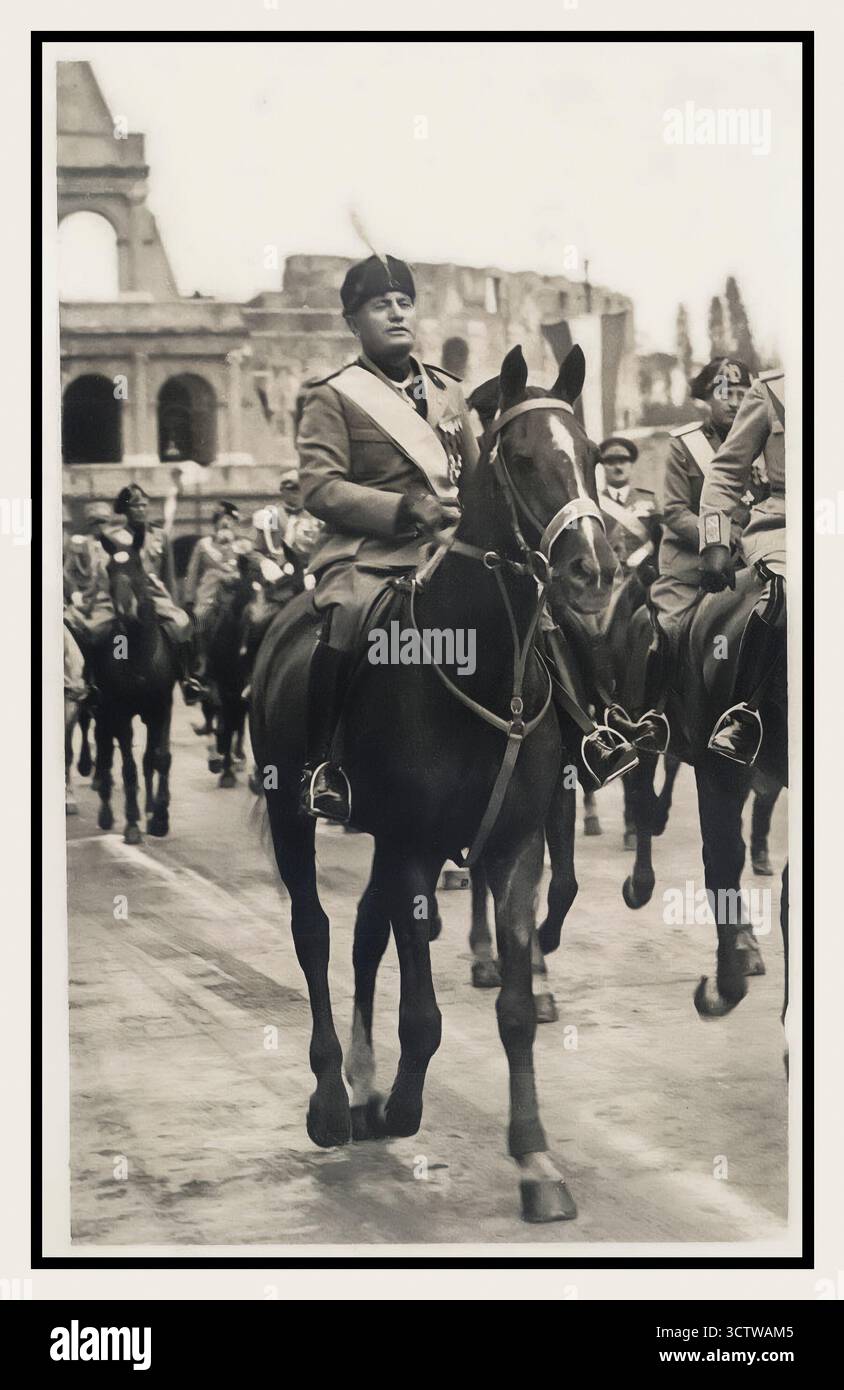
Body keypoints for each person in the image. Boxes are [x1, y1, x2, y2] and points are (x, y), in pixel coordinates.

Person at [295, 252, 479, 820]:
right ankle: (322, 764)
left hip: (452, 547)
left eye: (404, 303)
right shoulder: (332, 396)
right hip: (370, 552)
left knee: (530, 609)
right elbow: (320, 488)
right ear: (353, 322)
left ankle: (587, 731)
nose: (397, 313)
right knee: (349, 614)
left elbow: (475, 479)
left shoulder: (449, 392)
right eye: (381, 305)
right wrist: (404, 508)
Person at [698, 369, 786, 764]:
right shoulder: (772, 390)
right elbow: (726, 472)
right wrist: (715, 539)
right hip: (786, 524)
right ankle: (744, 713)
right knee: (788, 592)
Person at [67, 483, 197, 698]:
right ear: (125, 510)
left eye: (144, 505)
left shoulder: (159, 535)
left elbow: (168, 575)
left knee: (182, 624)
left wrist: (173, 602)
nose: (141, 509)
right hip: (118, 596)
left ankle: (186, 677)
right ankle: (91, 681)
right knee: (92, 630)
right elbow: (103, 571)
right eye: (136, 506)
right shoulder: (113, 537)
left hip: (154, 595)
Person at [597, 437, 656, 572]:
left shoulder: (649, 499)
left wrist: (644, 552)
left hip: (643, 573)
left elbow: (661, 535)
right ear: (603, 466)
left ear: (631, 465)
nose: (618, 467)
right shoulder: (594, 501)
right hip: (606, 573)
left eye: (623, 461)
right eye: (611, 462)